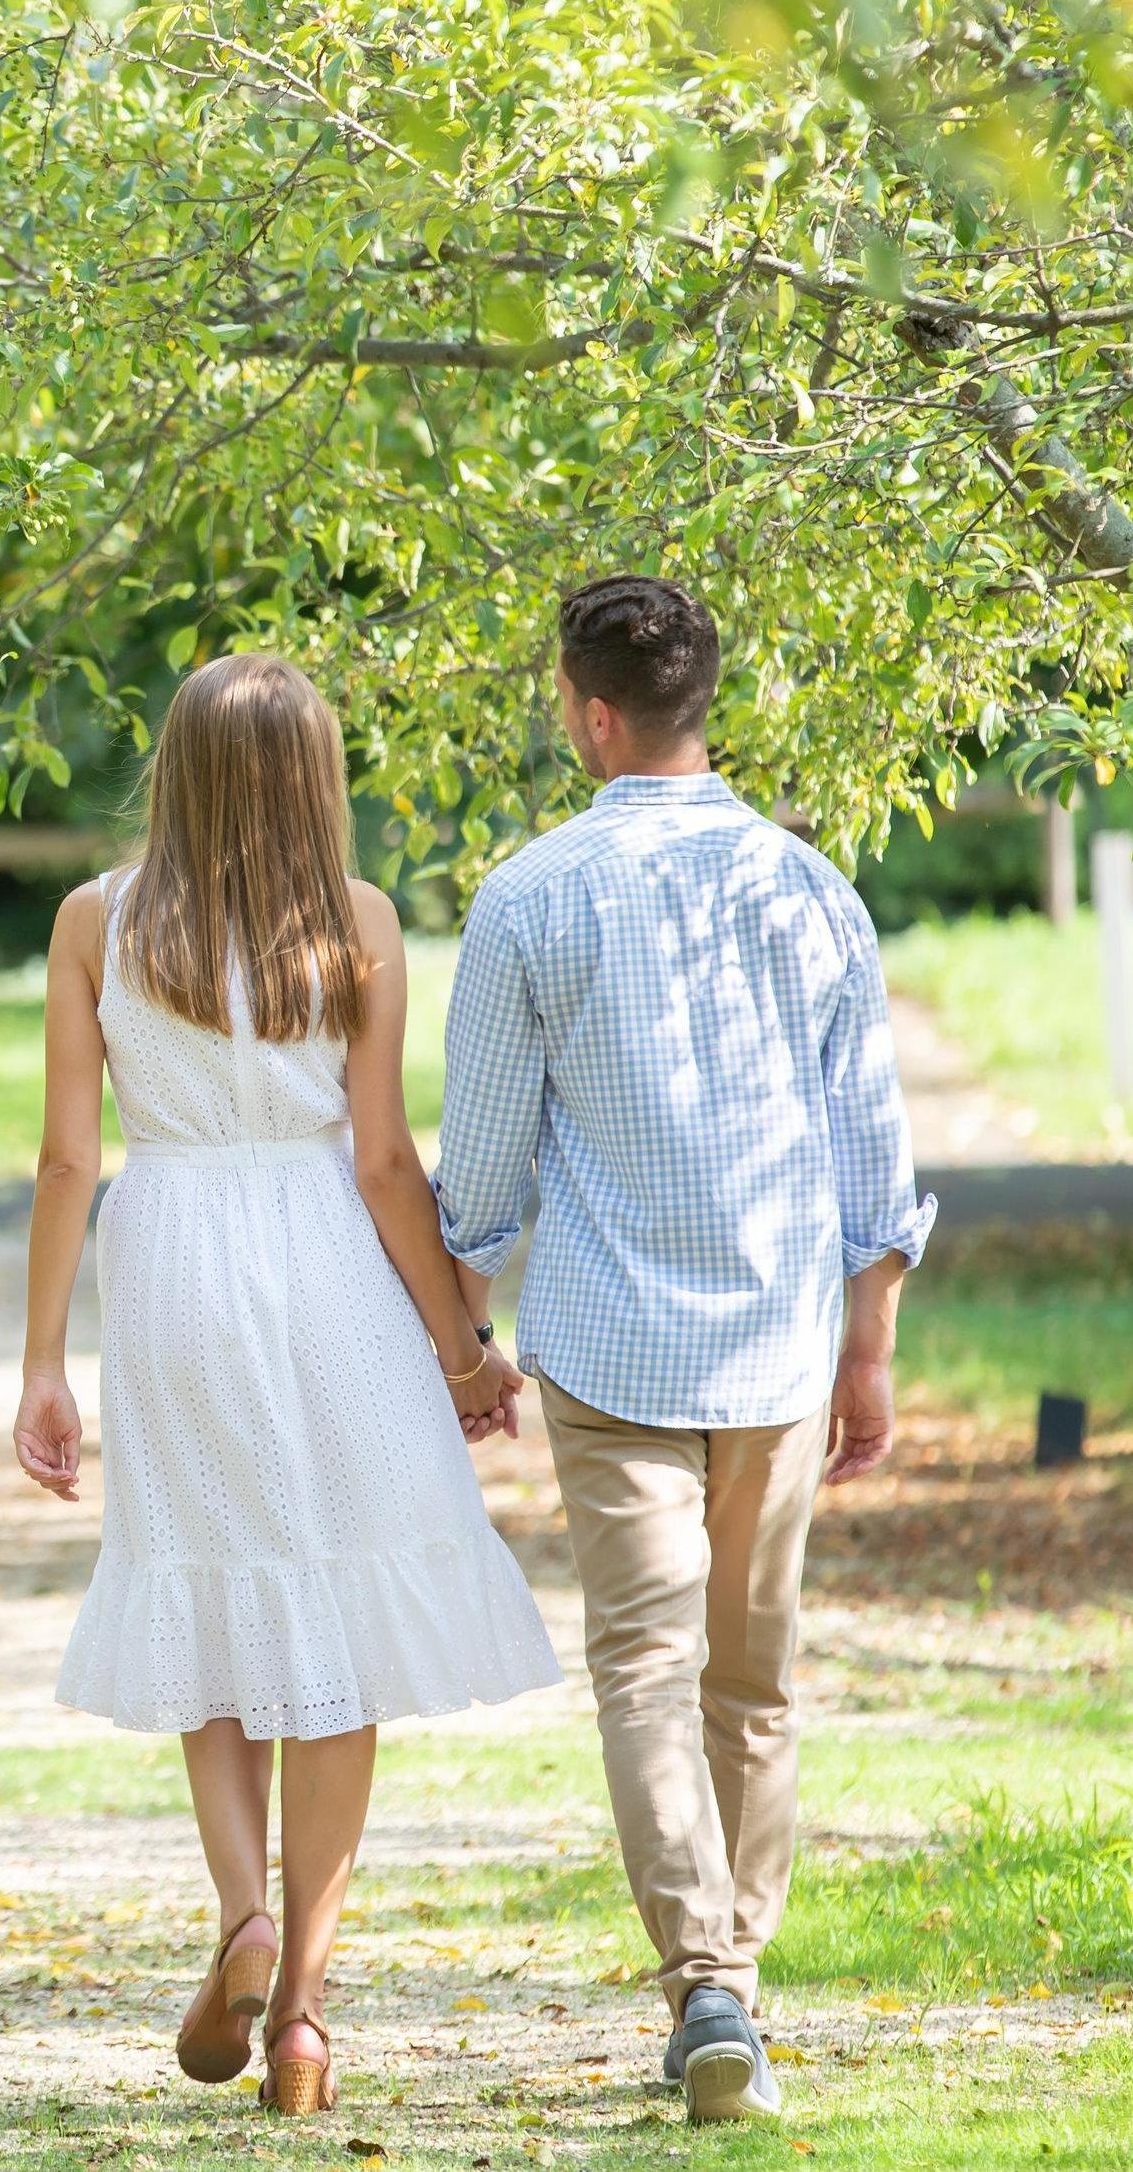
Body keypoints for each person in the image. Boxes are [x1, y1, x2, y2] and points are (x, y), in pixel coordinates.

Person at [13, 652, 560, 2116]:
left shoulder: (96, 922)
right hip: (328, 1267)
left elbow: (70, 1157)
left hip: (173, 1263)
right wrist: (461, 1346)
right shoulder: (358, 923)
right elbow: (384, 1160)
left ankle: (241, 1920)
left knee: (208, 1587)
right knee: (334, 1617)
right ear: (314, 775)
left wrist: (41, 1367)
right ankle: (306, 2005)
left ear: (175, 770)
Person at [436, 574, 933, 2127]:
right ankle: (740, 1989)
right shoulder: (811, 889)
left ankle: (704, 1984)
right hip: (779, 1343)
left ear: (591, 714)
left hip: (606, 1343)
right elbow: (872, 1149)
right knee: (753, 1681)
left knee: (643, 1671)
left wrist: (467, 1337)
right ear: (697, 705)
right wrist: (872, 1352)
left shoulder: (527, 898)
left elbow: (483, 1174)